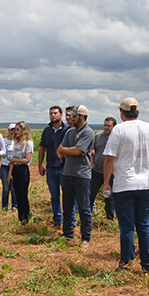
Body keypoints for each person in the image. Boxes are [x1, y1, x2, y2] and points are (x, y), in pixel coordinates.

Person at [103, 97, 149, 273]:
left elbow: (110, 158)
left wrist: (106, 183)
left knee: (127, 227)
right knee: (144, 226)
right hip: (146, 184)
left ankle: (127, 263)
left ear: (121, 112)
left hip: (124, 185)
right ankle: (147, 265)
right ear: (138, 112)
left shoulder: (119, 130)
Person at [57, 105, 94, 247]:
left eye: (74, 115)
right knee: (67, 207)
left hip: (82, 175)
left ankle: (86, 238)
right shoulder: (70, 132)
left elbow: (78, 151)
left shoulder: (88, 132)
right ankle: (68, 236)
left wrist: (69, 150)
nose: (71, 117)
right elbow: (59, 152)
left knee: (84, 208)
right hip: (67, 173)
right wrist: (69, 150)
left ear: (82, 116)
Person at [38, 105, 68, 228]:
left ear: (61, 115)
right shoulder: (47, 131)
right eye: (51, 113)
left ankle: (69, 221)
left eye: (55, 113)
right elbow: (42, 148)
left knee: (67, 196)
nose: (52, 115)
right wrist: (40, 164)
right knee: (54, 196)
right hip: (51, 168)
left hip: (64, 168)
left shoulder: (67, 130)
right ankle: (57, 221)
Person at [90, 117, 117, 221]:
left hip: (111, 173)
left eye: (109, 126)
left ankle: (110, 219)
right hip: (96, 171)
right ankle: (88, 216)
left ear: (114, 127)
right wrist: (92, 164)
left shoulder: (116, 138)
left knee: (109, 198)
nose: (106, 127)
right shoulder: (97, 136)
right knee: (90, 194)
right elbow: (93, 151)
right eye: (105, 125)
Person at [7, 121, 34, 225]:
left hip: (23, 170)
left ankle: (25, 218)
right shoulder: (16, 142)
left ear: (23, 130)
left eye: (18, 129)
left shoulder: (28, 143)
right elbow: (11, 161)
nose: (16, 131)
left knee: (23, 195)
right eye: (15, 129)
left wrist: (14, 160)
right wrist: (10, 173)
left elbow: (27, 160)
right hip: (15, 170)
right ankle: (20, 217)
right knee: (17, 195)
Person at [0, 123, 15, 211]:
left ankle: (14, 205)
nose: (12, 132)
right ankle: (4, 206)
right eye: (11, 130)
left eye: (14, 130)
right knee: (5, 187)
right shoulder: (4, 141)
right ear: (8, 130)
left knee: (13, 188)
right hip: (5, 166)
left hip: (15, 166)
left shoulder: (17, 142)